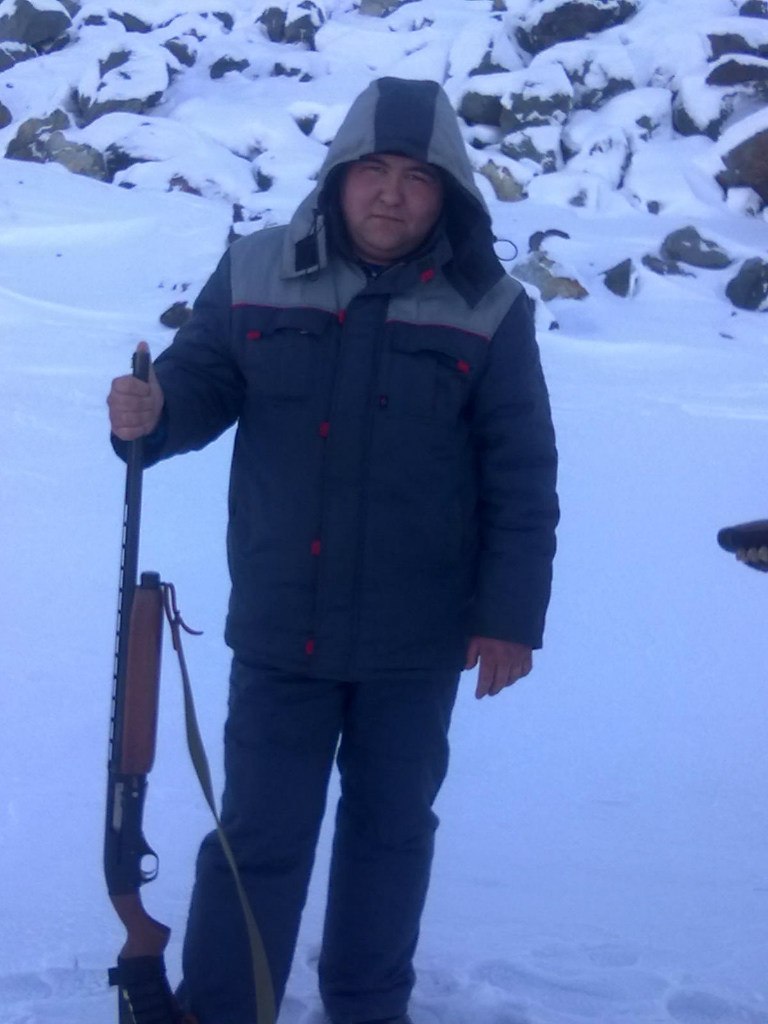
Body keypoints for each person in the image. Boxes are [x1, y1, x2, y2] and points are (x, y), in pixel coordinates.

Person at [108, 76, 559, 1024]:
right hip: (284, 626)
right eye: (373, 170)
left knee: (391, 835)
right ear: (339, 175)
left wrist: (510, 617)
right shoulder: (256, 270)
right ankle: (226, 1010)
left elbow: (520, 471)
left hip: (418, 637)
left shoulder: (489, 304)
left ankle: (367, 1007)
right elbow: (199, 383)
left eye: (417, 177)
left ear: (447, 192)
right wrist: (153, 413)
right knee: (259, 837)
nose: (392, 194)